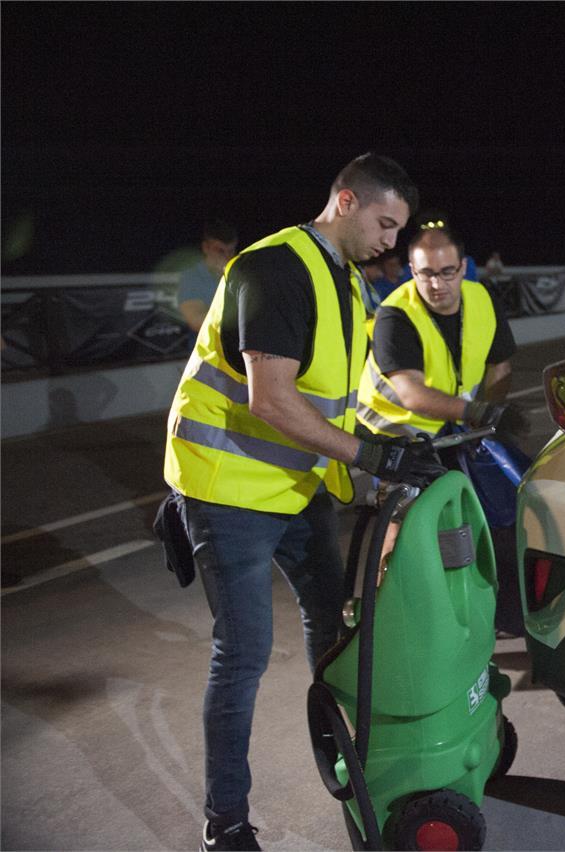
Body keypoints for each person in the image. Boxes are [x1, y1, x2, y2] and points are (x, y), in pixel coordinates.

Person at [162, 153, 438, 852]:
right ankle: (225, 822)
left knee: (336, 625)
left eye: (398, 230)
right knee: (244, 655)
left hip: (298, 487)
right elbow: (273, 399)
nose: (391, 243)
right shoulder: (276, 267)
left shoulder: (347, 282)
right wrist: (373, 459)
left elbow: (333, 404)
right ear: (345, 201)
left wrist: (385, 443)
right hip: (228, 495)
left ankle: (341, 749)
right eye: (384, 223)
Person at [355, 224, 527, 634]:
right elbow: (412, 395)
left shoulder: (481, 299)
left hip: (452, 423)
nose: (437, 284)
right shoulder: (395, 315)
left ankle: (469, 605)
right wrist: (482, 413)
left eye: (447, 272)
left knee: (468, 508)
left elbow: (499, 365)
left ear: (463, 267)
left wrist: (492, 413)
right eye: (425, 273)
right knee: (405, 515)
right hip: (395, 429)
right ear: (411, 271)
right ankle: (383, 614)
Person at [178, 220, 238, 332]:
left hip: (237, 345)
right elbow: (196, 323)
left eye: (231, 251)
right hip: (207, 348)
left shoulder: (239, 274)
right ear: (205, 248)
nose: (227, 256)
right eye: (220, 251)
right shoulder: (191, 278)